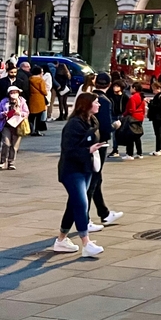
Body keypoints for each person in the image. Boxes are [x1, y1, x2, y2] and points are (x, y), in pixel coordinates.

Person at [52, 93, 106, 256]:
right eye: (96, 102)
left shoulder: (93, 120)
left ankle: (61, 240)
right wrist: (88, 150)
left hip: (86, 168)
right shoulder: (74, 124)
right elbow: (68, 150)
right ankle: (86, 243)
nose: (99, 105)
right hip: (71, 170)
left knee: (74, 204)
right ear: (87, 104)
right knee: (82, 203)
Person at [89, 74, 124, 227]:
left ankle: (104, 212)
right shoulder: (104, 101)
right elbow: (104, 126)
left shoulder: (88, 96)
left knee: (96, 178)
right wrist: (114, 126)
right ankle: (86, 219)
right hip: (99, 143)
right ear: (109, 84)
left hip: (90, 142)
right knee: (93, 179)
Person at [0, 85, 29, 169]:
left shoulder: (22, 101)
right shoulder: (4, 102)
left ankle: (11, 162)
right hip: (7, 125)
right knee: (6, 143)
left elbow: (26, 112)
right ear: (9, 93)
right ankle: (2, 161)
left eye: (16, 92)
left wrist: (19, 113)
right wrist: (3, 114)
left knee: (14, 145)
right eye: (12, 92)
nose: (14, 94)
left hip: (18, 125)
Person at [122, 82, 146, 159]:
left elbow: (131, 109)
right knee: (137, 136)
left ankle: (129, 154)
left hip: (133, 118)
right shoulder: (141, 96)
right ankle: (140, 153)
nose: (130, 89)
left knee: (130, 135)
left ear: (134, 88)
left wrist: (124, 115)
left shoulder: (133, 97)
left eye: (131, 87)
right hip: (140, 117)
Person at [28, 65, 49, 136]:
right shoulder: (40, 80)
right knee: (39, 117)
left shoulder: (30, 79)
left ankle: (31, 130)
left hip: (32, 98)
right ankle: (37, 130)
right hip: (39, 99)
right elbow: (44, 91)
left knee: (32, 116)